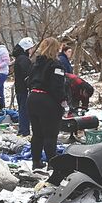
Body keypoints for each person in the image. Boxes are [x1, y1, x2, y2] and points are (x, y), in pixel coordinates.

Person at [27, 37, 67, 171]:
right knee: (50, 134)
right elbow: (57, 87)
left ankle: (36, 161)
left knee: (37, 133)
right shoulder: (56, 65)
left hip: (33, 98)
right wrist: (63, 99)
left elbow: (28, 81)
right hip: (47, 101)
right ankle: (52, 162)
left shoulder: (35, 64)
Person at [12, 37, 35, 137]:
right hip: (23, 88)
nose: (32, 50)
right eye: (30, 48)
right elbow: (27, 74)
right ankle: (24, 131)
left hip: (20, 87)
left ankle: (23, 130)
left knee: (22, 109)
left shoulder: (20, 58)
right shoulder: (23, 59)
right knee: (24, 110)